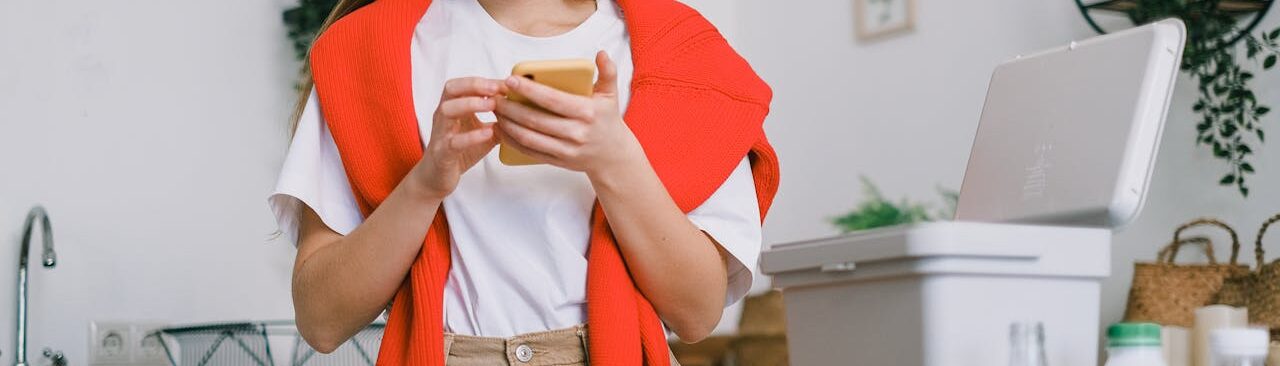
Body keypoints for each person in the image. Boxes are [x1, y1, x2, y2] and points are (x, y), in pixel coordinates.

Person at [269, 0, 779, 364]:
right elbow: (320, 319)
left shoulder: (685, 56)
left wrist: (616, 159)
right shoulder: (367, 50)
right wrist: (425, 183)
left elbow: (696, 313)